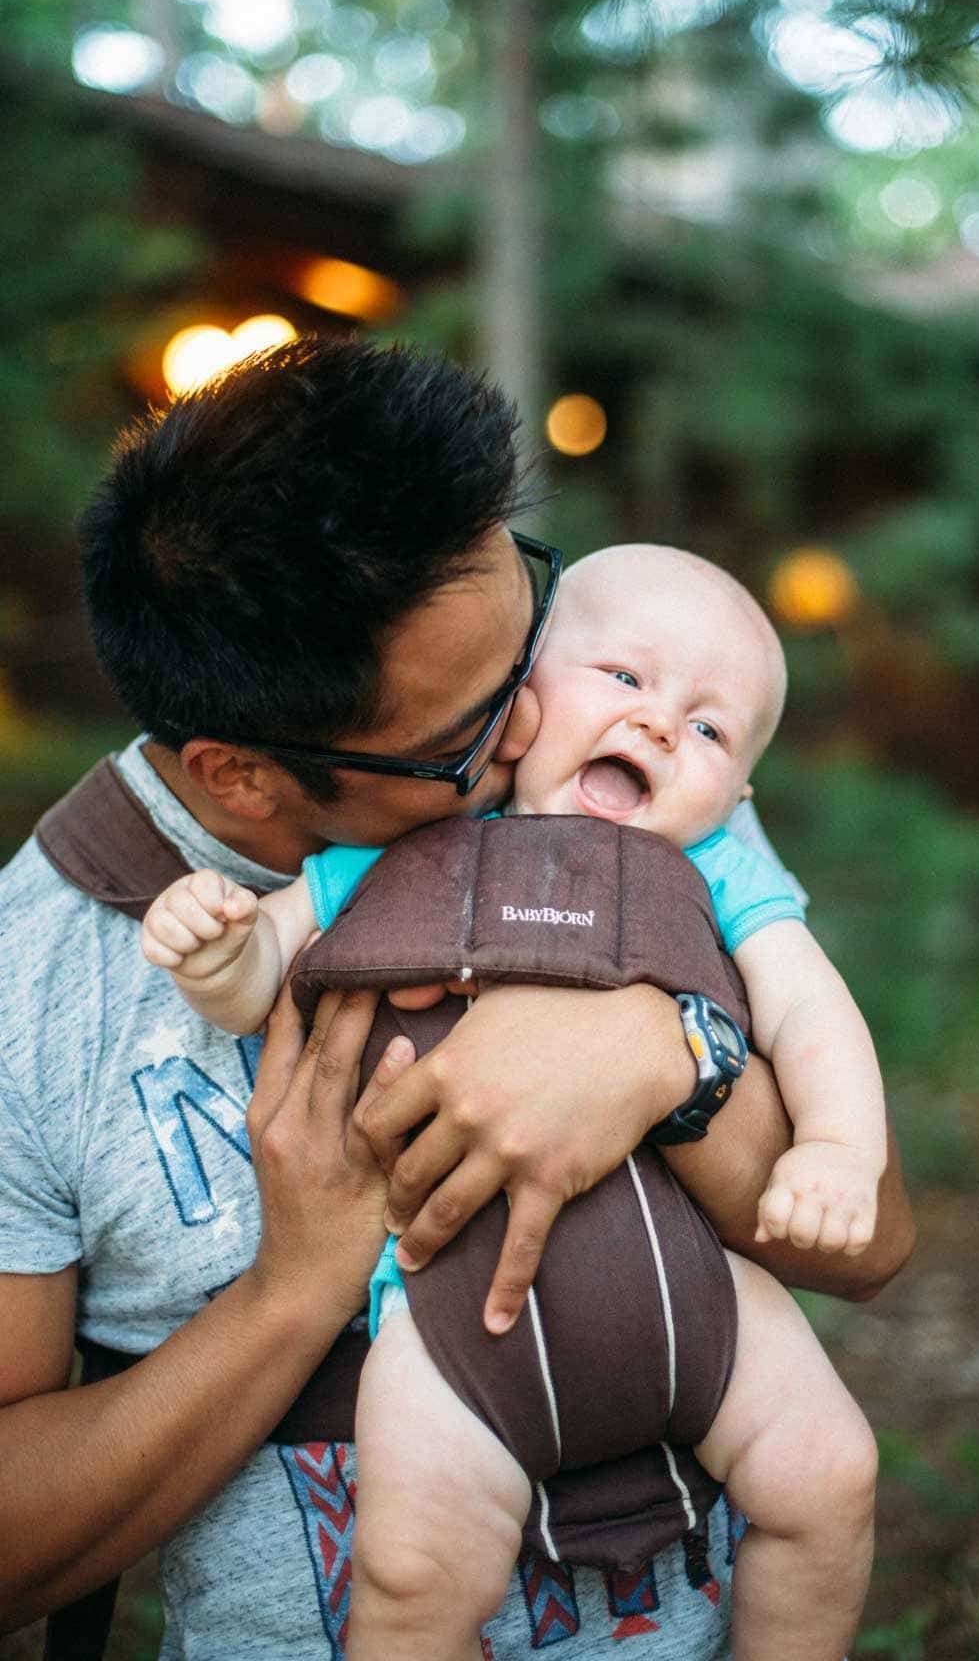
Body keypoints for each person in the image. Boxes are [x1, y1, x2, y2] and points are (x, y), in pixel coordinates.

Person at [0, 336, 914, 1660]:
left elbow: (870, 1244)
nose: (539, 728)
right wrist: (297, 1287)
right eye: (466, 736)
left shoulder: (622, 754)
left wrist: (669, 1048)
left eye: (530, 638)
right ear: (244, 775)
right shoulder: (32, 986)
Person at [143, 541, 888, 1661]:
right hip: (449, 1316)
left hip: (699, 1299)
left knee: (831, 1480)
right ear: (522, 697)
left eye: (709, 729)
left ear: (738, 794)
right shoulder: (404, 847)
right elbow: (262, 985)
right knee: (411, 1570)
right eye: (626, 680)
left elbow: (811, 1014)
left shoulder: (722, 876)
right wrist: (215, 957)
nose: (656, 728)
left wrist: (836, 1148)